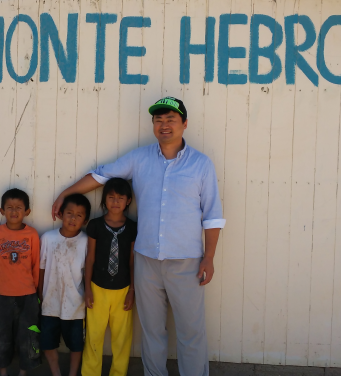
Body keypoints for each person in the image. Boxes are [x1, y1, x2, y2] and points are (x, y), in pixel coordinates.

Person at [51, 97, 226, 376]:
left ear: (184, 124)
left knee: (191, 333)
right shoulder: (139, 158)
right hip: (146, 261)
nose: (164, 125)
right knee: (152, 331)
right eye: (159, 120)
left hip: (187, 263)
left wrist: (209, 257)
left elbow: (212, 215)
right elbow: (101, 176)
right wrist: (66, 194)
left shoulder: (201, 164)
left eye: (171, 119)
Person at [82, 178, 137, 376]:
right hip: (97, 288)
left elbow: (132, 262)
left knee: (122, 338)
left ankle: (118, 373)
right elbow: (90, 259)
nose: (115, 201)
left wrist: (132, 290)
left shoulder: (132, 228)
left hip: (123, 290)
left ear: (128, 201)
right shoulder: (95, 225)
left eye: (121, 198)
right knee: (93, 336)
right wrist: (88, 289)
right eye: (111, 197)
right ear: (104, 199)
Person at [38, 193, 91, 376]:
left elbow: (88, 271)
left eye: (79, 215)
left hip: (76, 304)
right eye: (69, 213)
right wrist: (40, 294)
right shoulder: (48, 238)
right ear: (61, 214)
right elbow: (41, 268)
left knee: (76, 344)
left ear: (85, 220)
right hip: (49, 303)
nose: (73, 218)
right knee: (47, 343)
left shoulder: (86, 241)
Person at [0, 188, 41, 376]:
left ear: (27, 211)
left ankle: (22, 373)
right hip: (4, 294)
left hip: (28, 295)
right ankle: (3, 372)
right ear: (2, 210)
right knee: (2, 335)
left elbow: (35, 264)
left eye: (19, 207)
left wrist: (34, 290)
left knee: (27, 335)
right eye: (9, 207)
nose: (14, 211)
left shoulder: (32, 235)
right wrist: (6, 284)